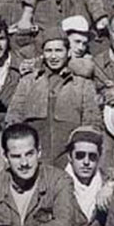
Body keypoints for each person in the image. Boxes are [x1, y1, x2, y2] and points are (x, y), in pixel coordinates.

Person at [6, 27, 101, 167]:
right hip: (33, 161)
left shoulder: (83, 85)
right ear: (42, 54)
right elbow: (13, 118)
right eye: (48, 51)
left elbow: (92, 124)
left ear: (68, 53)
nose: (53, 56)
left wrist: (77, 157)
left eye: (58, 51)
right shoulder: (28, 82)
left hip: (69, 162)